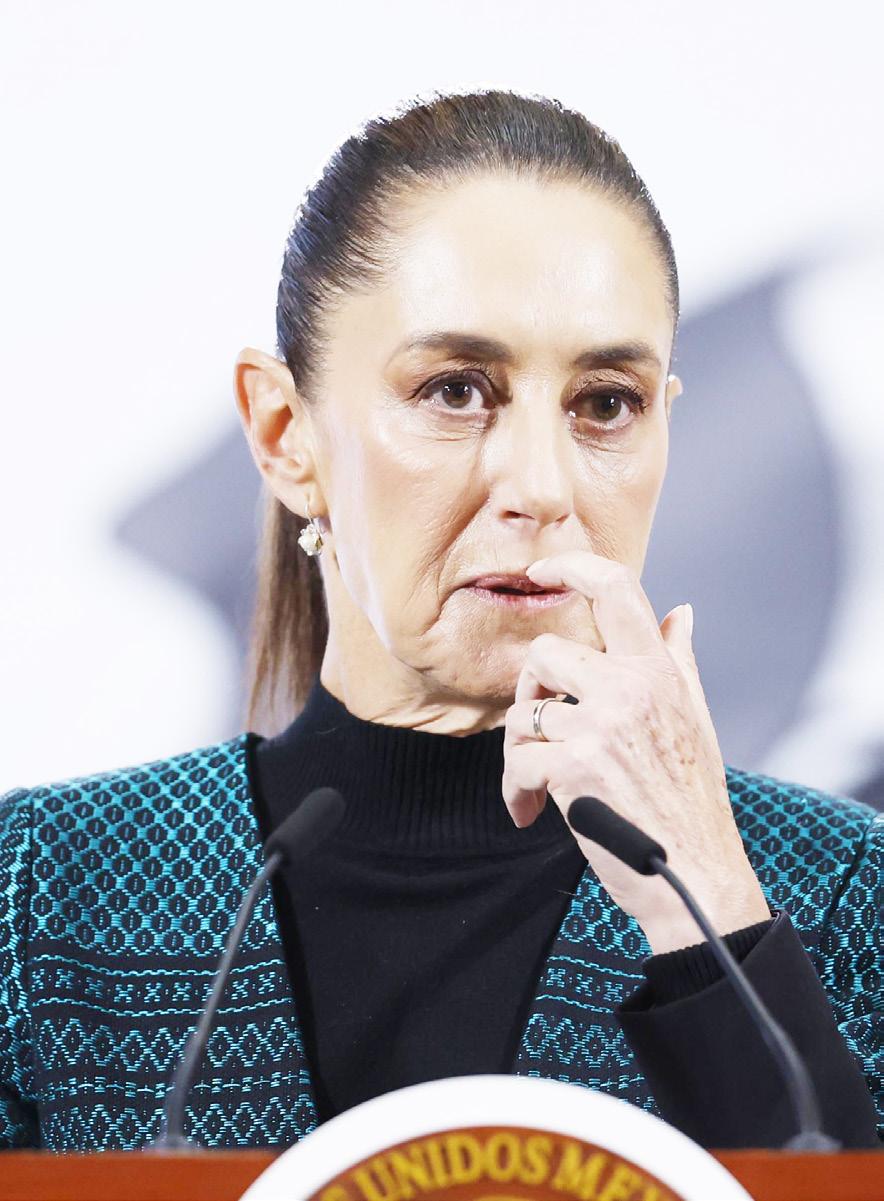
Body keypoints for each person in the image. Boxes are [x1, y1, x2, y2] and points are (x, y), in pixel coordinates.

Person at [1, 90, 880, 1154]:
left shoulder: (841, 888)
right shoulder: (41, 894)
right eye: (456, 390)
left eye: (606, 402)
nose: (541, 485)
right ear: (284, 435)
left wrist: (710, 906)